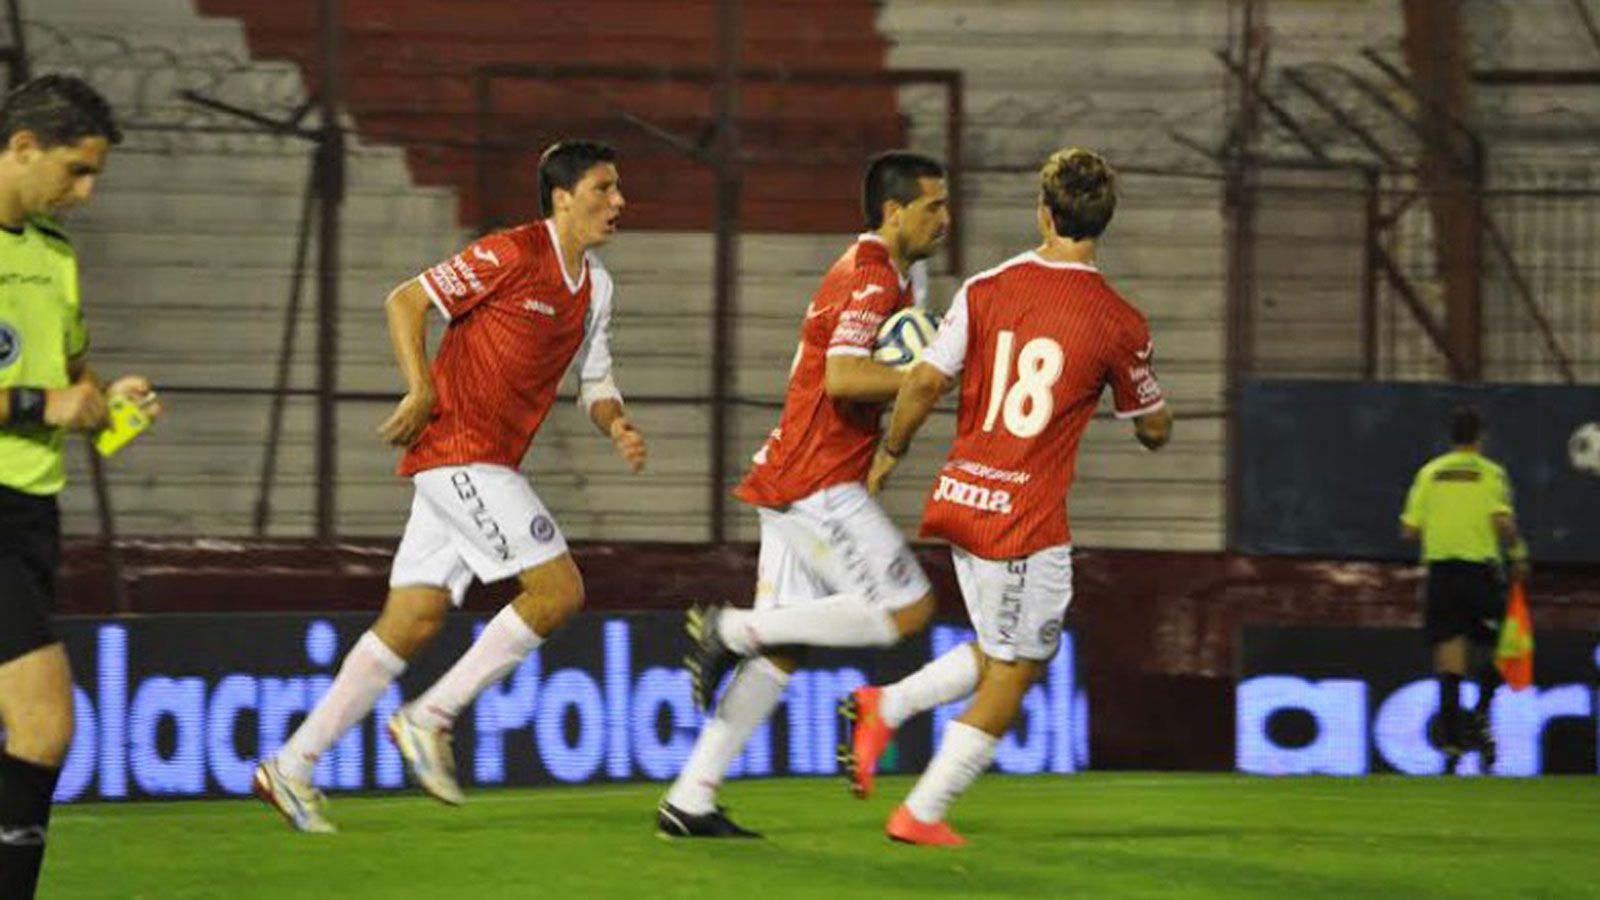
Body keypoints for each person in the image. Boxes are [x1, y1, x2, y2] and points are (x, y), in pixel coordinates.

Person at [253, 140, 646, 832]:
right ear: (561, 197)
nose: (618, 203)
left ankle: (291, 766)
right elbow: (406, 300)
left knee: (414, 619)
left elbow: (595, 379)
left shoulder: (599, 286)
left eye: (617, 190)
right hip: (462, 453)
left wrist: (615, 423)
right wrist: (421, 388)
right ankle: (428, 718)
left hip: (483, 463)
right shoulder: (511, 253)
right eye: (602, 189)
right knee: (559, 591)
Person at [854, 147, 1172, 846]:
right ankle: (924, 811)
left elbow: (924, 383)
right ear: (1106, 220)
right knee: (1018, 668)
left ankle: (888, 704)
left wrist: (891, 455)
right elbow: (1151, 427)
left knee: (999, 645)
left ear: (1044, 212)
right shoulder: (1119, 320)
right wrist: (1155, 417)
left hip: (962, 498)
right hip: (1023, 519)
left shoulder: (985, 287)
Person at [662, 151, 950, 839]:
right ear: (893, 211)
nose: (945, 217)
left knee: (785, 651)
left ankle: (690, 800)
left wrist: (890, 440)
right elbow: (844, 379)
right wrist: (925, 376)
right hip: (815, 480)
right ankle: (728, 628)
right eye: (933, 205)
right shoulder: (872, 277)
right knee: (907, 611)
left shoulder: (888, 274)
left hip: (798, 471)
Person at [0, 75, 162, 898]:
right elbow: (43, 396)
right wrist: (42, 404)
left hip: (30, 511)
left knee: (40, 727)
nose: (86, 193)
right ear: (23, 147)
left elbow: (69, 378)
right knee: (45, 724)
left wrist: (110, 407)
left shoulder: (53, 254)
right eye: (76, 171)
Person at [1399, 406, 1526, 775]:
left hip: (1442, 574)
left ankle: (1452, 746)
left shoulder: (1430, 472)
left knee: (1449, 658)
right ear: (1480, 438)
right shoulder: (1490, 473)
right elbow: (1503, 522)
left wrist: (1442, 526)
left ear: (1451, 438)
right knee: (1503, 647)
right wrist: (1518, 554)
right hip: (1480, 573)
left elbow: (1408, 530)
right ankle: (1481, 716)